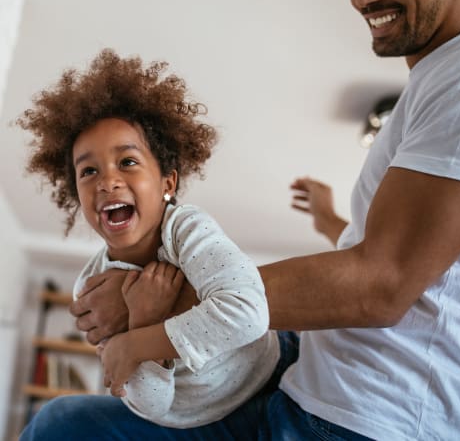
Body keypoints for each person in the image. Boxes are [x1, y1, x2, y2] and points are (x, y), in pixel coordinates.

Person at [22, 0, 460, 439]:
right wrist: (333, 222)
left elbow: (385, 283)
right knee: (62, 423)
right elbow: (421, 259)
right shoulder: (442, 79)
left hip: (371, 418)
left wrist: (147, 303)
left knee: (64, 429)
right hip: (314, 379)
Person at [18, 49, 298, 438]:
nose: (107, 180)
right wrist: (146, 320)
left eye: (127, 162)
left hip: (270, 376)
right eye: (88, 171)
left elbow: (249, 312)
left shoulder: (185, 229)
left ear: (168, 183)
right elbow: (151, 405)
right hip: (197, 421)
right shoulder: (92, 289)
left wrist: (135, 345)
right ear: (76, 195)